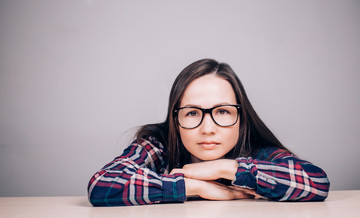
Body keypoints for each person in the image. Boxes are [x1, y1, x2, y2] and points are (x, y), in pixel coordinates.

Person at [87, 59, 330, 206]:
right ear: (176, 120)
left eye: (222, 111)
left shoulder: (257, 151)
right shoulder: (159, 145)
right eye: (192, 113)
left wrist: (225, 168)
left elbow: (317, 183)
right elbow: (102, 185)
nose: (208, 128)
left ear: (241, 118)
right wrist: (193, 186)